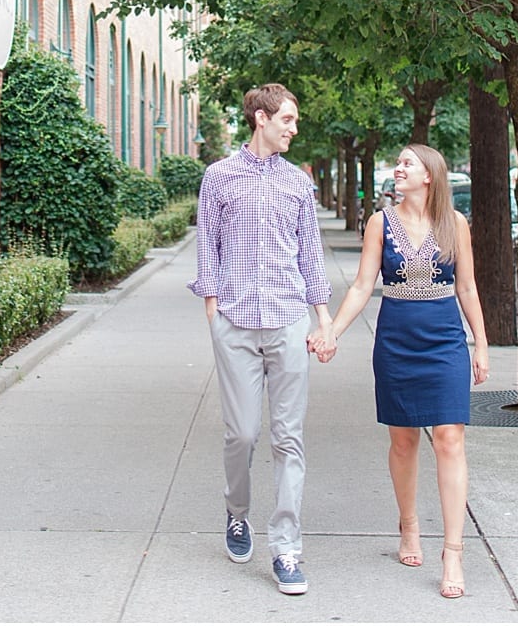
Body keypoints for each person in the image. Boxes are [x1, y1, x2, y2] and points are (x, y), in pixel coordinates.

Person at [316, 143, 490, 601]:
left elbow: (468, 287)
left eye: (406, 164)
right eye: (397, 164)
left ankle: (453, 551)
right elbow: (361, 285)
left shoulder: (455, 225)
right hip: (395, 339)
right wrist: (331, 330)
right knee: (404, 439)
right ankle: (408, 525)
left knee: (450, 437)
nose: (398, 169)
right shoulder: (380, 222)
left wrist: (482, 344)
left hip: (445, 341)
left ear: (429, 175)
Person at [188, 83, 333, 597]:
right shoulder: (219, 176)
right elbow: (208, 241)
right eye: (288, 119)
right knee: (243, 434)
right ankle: (236, 513)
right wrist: (212, 306)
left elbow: (309, 254)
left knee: (288, 437)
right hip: (235, 321)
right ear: (260, 118)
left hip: (290, 320)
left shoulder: (297, 183)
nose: (294, 128)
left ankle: (286, 548)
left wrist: (324, 319)